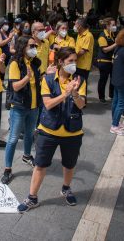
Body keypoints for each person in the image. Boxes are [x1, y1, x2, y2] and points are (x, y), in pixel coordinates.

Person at [17, 47, 86, 213]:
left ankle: (66, 188)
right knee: (40, 165)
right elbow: (48, 104)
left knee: (69, 164)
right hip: (49, 131)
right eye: (70, 61)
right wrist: (66, 94)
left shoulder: (79, 79)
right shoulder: (47, 79)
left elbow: (82, 105)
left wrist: (75, 94)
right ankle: (32, 198)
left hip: (72, 131)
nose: (74, 64)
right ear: (61, 62)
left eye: (75, 61)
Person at [2, 36, 42, 184]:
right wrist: (27, 78)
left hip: (33, 106)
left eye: (34, 46)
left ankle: (26, 155)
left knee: (30, 134)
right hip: (19, 107)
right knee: (13, 139)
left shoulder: (35, 62)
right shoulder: (15, 64)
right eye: (31, 46)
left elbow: (37, 83)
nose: (34, 48)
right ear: (22, 47)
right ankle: (7, 169)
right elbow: (15, 87)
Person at [97, 17, 117, 103]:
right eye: (113, 25)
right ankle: (101, 97)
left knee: (113, 79)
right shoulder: (102, 36)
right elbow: (105, 49)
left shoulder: (112, 34)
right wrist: (116, 43)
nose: (115, 26)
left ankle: (111, 95)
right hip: (104, 62)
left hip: (112, 61)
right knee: (103, 79)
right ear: (107, 26)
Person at [74, 18, 94, 98]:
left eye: (75, 24)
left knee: (82, 84)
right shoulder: (79, 34)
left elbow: (82, 51)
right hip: (77, 64)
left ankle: (83, 102)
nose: (74, 26)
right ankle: (77, 100)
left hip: (83, 65)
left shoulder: (88, 36)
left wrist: (72, 57)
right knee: (77, 83)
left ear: (80, 25)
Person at [110, 29, 124, 135]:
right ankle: (115, 125)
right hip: (121, 80)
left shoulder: (118, 48)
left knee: (115, 101)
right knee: (121, 103)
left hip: (115, 78)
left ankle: (115, 122)